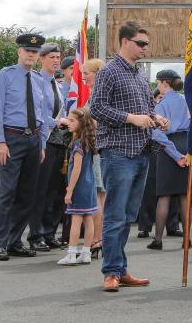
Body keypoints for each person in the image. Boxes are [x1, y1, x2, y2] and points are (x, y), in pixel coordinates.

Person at [89, 21, 170, 293]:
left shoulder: (138, 74)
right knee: (115, 215)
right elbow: (96, 108)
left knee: (127, 215)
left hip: (142, 151)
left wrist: (156, 117)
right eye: (141, 43)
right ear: (125, 42)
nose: (146, 48)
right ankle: (111, 271)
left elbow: (147, 107)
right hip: (118, 152)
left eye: (147, 44)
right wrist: (130, 118)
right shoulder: (109, 72)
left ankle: (120, 269)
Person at [0, 33, 50, 261]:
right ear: (19, 52)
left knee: (27, 194)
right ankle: (0, 244)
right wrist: (1, 142)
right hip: (11, 139)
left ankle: (15, 241)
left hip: (33, 140)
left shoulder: (38, 80)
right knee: (6, 193)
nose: (31, 55)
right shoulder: (5, 76)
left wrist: (42, 143)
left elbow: (42, 115)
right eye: (28, 51)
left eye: (35, 52)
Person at [145, 70, 192, 250]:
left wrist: (176, 156)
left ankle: (158, 240)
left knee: (164, 196)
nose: (157, 86)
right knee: (185, 196)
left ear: (164, 83)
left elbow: (157, 134)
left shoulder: (160, 105)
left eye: (158, 83)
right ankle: (187, 239)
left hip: (169, 146)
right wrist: (191, 151)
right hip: (186, 144)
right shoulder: (186, 101)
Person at [28, 43, 70, 251]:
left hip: (59, 141)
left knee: (56, 190)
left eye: (58, 57)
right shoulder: (36, 81)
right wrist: (57, 122)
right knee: (41, 190)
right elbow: (36, 113)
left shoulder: (57, 83)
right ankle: (35, 235)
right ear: (41, 59)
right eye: (51, 57)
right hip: (44, 140)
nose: (56, 60)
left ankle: (50, 232)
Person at [58, 106, 99, 265]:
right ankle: (86, 252)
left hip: (79, 186)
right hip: (89, 185)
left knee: (76, 218)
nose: (68, 122)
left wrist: (70, 190)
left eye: (72, 120)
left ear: (81, 123)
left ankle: (71, 253)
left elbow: (77, 168)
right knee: (88, 218)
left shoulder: (77, 143)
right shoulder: (87, 140)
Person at [82, 57, 106, 259]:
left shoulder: (99, 94)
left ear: (98, 73)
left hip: (98, 149)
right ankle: (98, 239)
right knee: (101, 196)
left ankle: (96, 239)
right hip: (99, 149)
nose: (83, 78)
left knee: (98, 195)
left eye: (86, 73)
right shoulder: (99, 93)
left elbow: (95, 122)